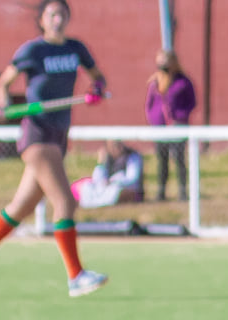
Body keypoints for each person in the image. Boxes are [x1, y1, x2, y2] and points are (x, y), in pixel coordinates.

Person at [0, 0, 108, 297]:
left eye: (62, 14)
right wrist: (4, 107)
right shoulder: (33, 51)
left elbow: (98, 79)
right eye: (52, 14)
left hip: (59, 135)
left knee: (21, 207)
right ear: (42, 20)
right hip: (37, 135)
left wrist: (95, 92)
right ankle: (75, 276)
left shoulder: (75, 48)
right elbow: (3, 85)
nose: (57, 19)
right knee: (65, 203)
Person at [145, 49, 197, 202]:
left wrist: (180, 117)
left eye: (165, 64)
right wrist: (153, 120)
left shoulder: (183, 82)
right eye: (160, 64)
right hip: (159, 128)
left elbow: (192, 102)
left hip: (177, 127)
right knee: (162, 161)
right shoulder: (155, 83)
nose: (162, 67)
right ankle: (161, 193)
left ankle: (182, 192)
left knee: (179, 160)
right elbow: (149, 104)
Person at [73, 139, 144, 208]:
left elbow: (132, 179)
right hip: (107, 187)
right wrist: (101, 162)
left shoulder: (132, 156)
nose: (116, 147)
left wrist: (113, 182)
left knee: (116, 191)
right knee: (87, 186)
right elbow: (97, 179)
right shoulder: (107, 157)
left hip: (124, 187)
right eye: (113, 145)